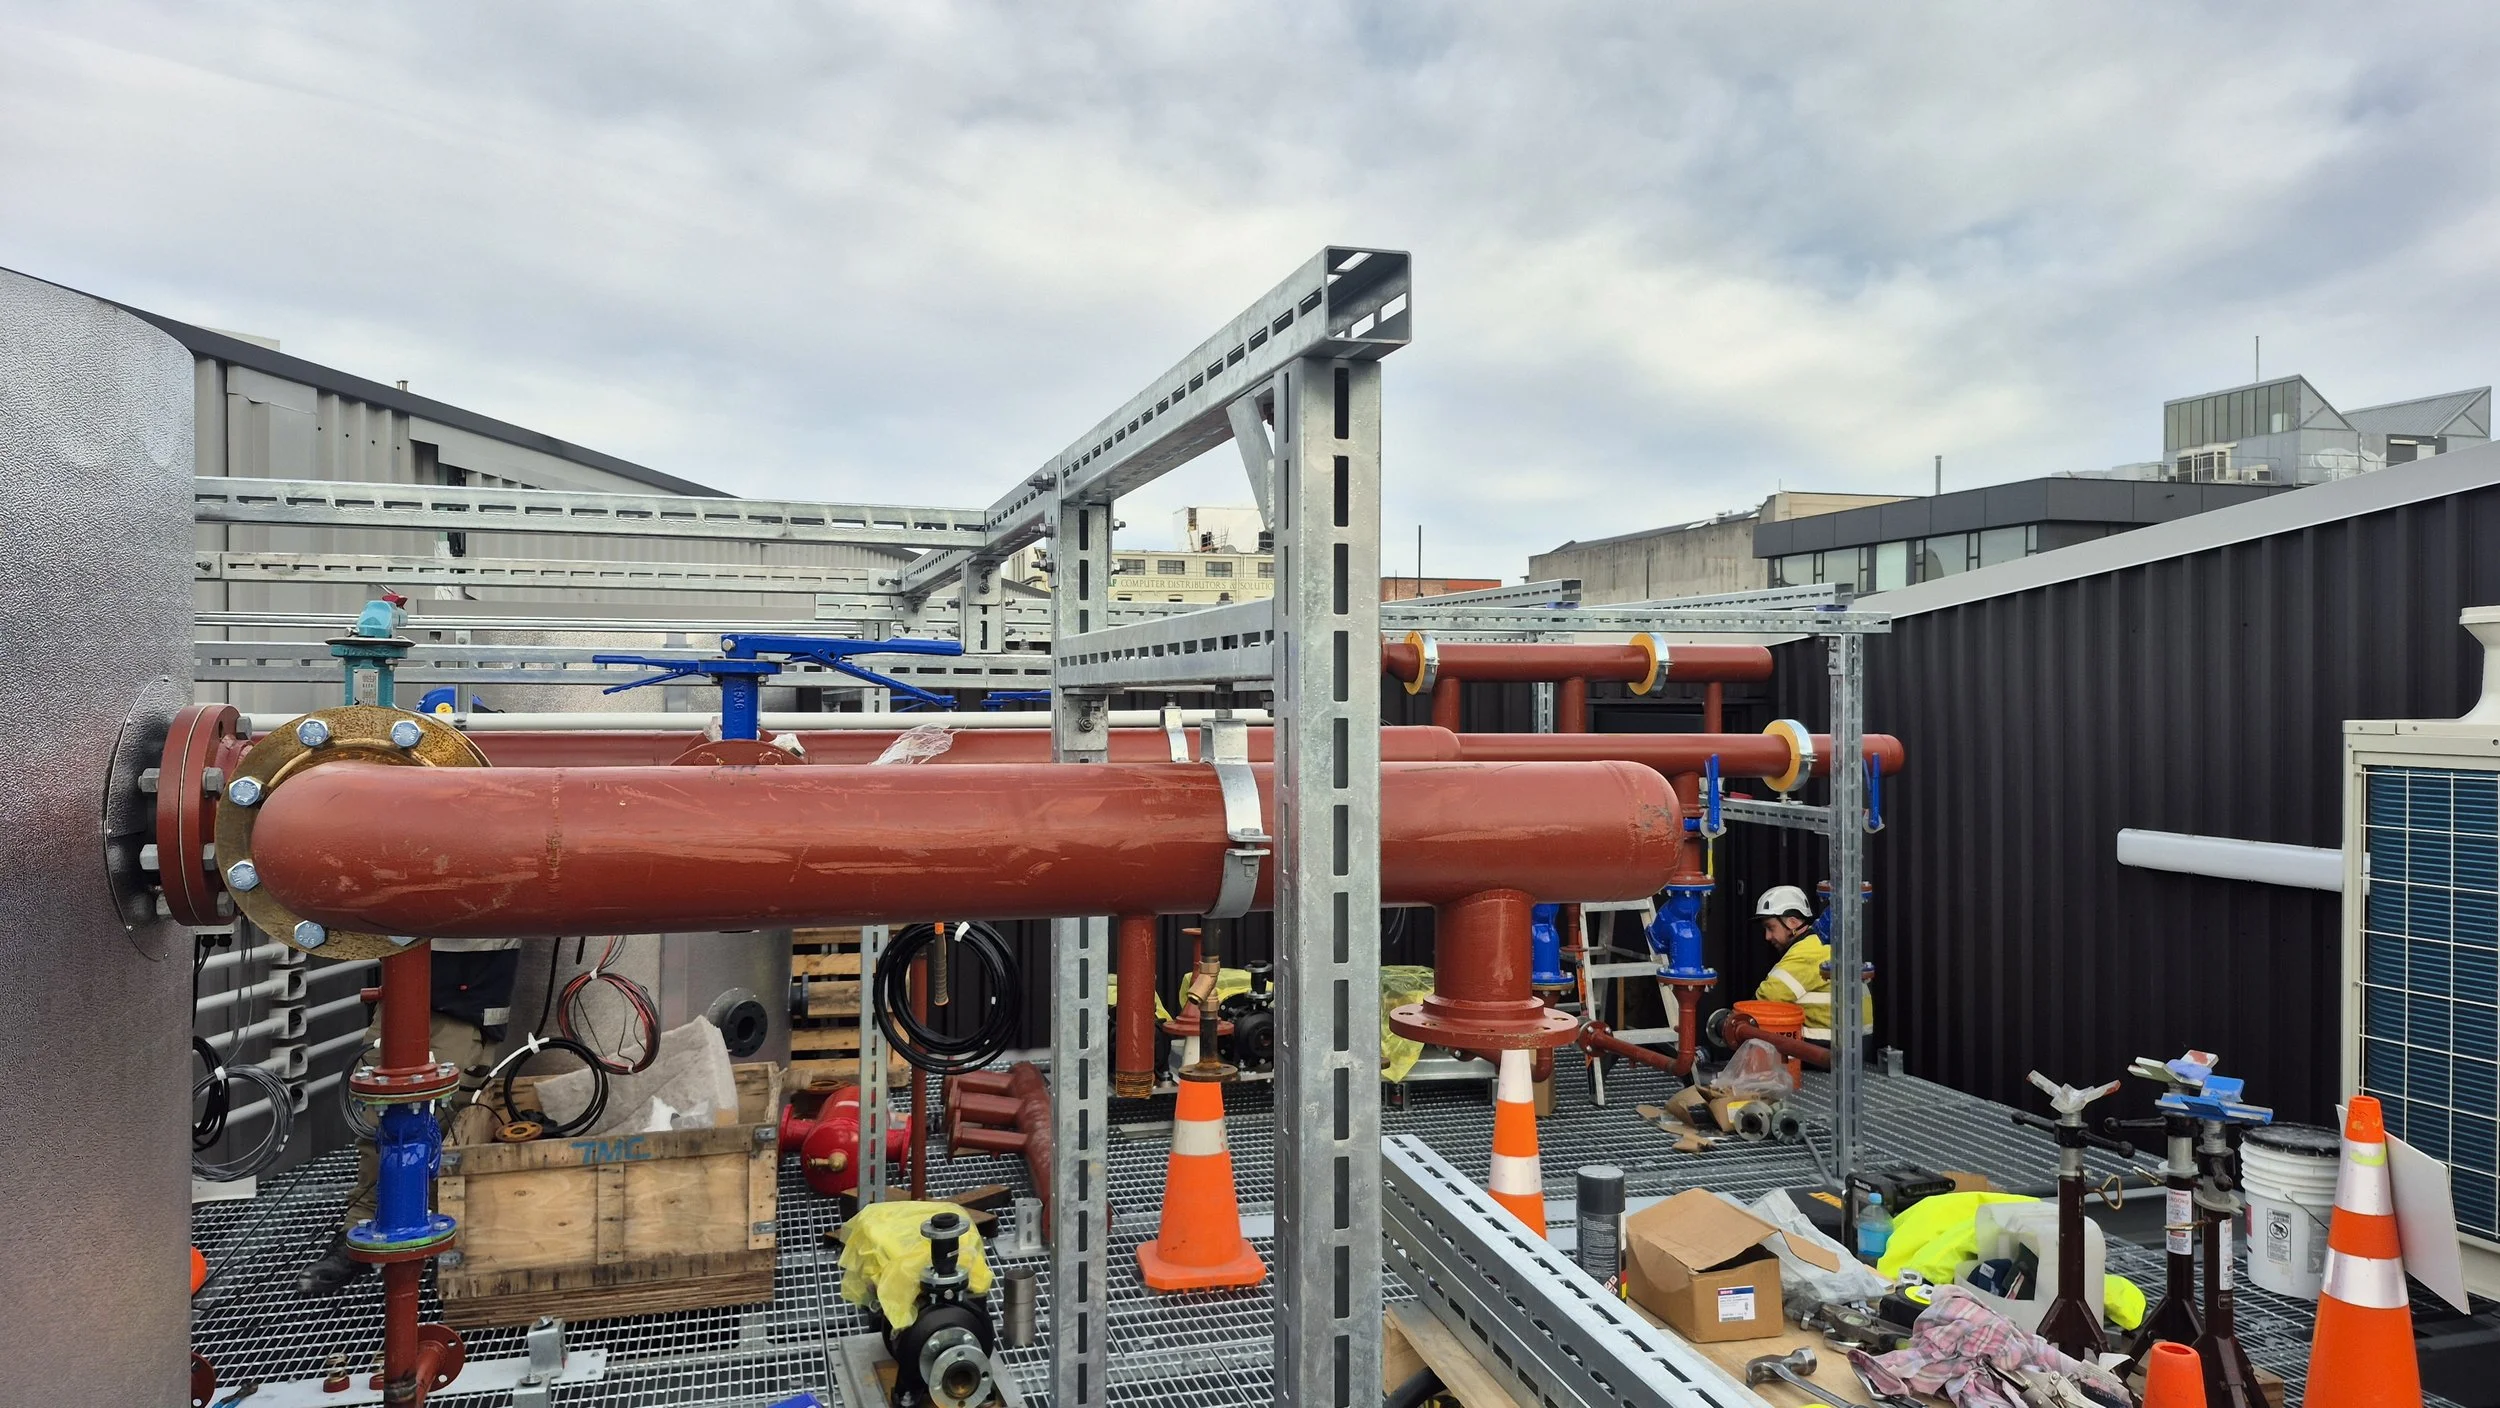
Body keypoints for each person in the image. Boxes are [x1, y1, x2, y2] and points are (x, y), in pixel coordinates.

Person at [297, 936, 521, 1296]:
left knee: (440, 1126)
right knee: (379, 1122)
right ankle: (362, 1229)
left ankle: (438, 1244)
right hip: (402, 987)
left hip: (464, 1000)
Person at [1752, 884, 1873, 1043]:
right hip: (1852, 1045)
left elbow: (1765, 999)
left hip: (1828, 1049)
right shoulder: (1821, 943)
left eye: (1770, 927)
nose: (1767, 936)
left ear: (1792, 922)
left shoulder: (1807, 951)